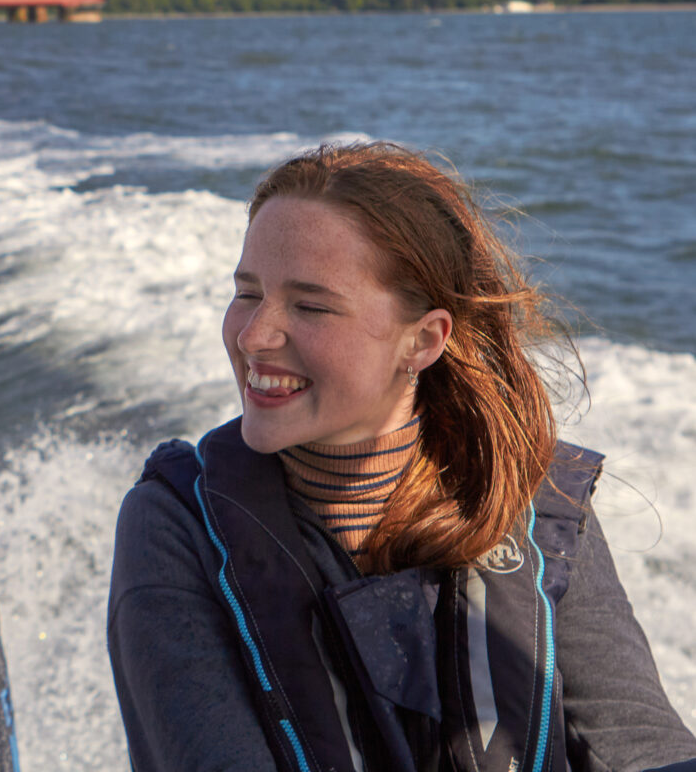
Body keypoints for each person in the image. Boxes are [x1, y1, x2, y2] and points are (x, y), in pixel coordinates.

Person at [107, 141, 696, 772]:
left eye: (309, 306)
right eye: (248, 293)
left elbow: (639, 741)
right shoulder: (176, 526)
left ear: (422, 340)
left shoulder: (530, 503)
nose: (254, 336)